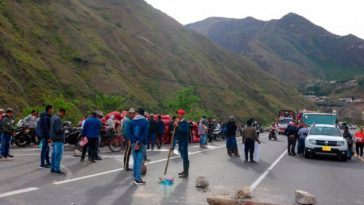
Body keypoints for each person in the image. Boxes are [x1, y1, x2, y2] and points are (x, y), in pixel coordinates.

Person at [127, 108, 149, 185]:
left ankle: (135, 176)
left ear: (137, 113)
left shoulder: (131, 122)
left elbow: (129, 133)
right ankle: (137, 179)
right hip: (141, 143)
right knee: (139, 161)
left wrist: (134, 141)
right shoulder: (145, 122)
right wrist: (139, 141)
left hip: (133, 143)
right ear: (143, 114)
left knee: (135, 160)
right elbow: (145, 134)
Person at [174, 109, 190, 178]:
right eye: (178, 113)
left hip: (184, 141)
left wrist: (178, 126)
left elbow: (185, 131)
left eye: (179, 114)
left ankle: (186, 173)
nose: (178, 115)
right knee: (182, 156)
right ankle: (184, 170)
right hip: (180, 141)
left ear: (182, 115)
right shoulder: (178, 122)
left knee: (185, 156)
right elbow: (176, 131)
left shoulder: (185, 123)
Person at [50, 108, 66, 174]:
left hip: (53, 138)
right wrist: (64, 128)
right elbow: (58, 130)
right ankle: (57, 169)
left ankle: (53, 168)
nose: (63, 116)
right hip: (58, 139)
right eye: (63, 114)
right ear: (62, 112)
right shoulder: (58, 119)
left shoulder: (53, 117)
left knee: (54, 154)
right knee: (58, 155)